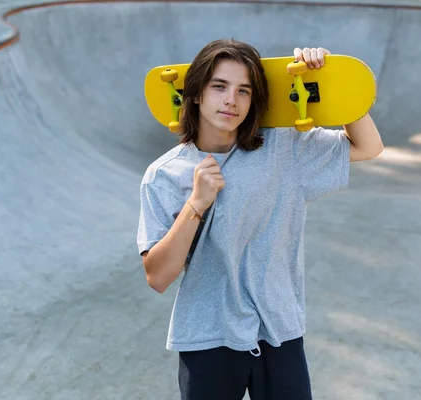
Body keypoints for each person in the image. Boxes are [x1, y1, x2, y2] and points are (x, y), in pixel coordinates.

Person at [137, 38, 383, 399]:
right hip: (208, 335)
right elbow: (158, 276)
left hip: (279, 330)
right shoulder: (165, 175)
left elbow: (369, 147)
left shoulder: (284, 150)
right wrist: (196, 204)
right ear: (195, 94)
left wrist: (330, 86)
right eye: (219, 86)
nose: (231, 100)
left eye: (244, 90)